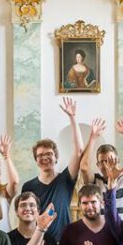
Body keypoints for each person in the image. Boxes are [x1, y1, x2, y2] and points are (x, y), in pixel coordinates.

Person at [22, 98, 87, 237]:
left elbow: (79, 151)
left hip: (63, 241)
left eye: (49, 154)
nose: (45, 158)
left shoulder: (66, 178)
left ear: (56, 158)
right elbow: (25, 218)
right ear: (36, 160)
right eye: (40, 155)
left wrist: (72, 117)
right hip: (38, 241)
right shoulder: (28, 186)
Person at [79, 120, 123, 224]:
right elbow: (84, 167)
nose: (106, 165)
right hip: (103, 236)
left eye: (110, 160)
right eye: (102, 162)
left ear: (118, 161)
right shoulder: (95, 182)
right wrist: (93, 137)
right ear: (98, 165)